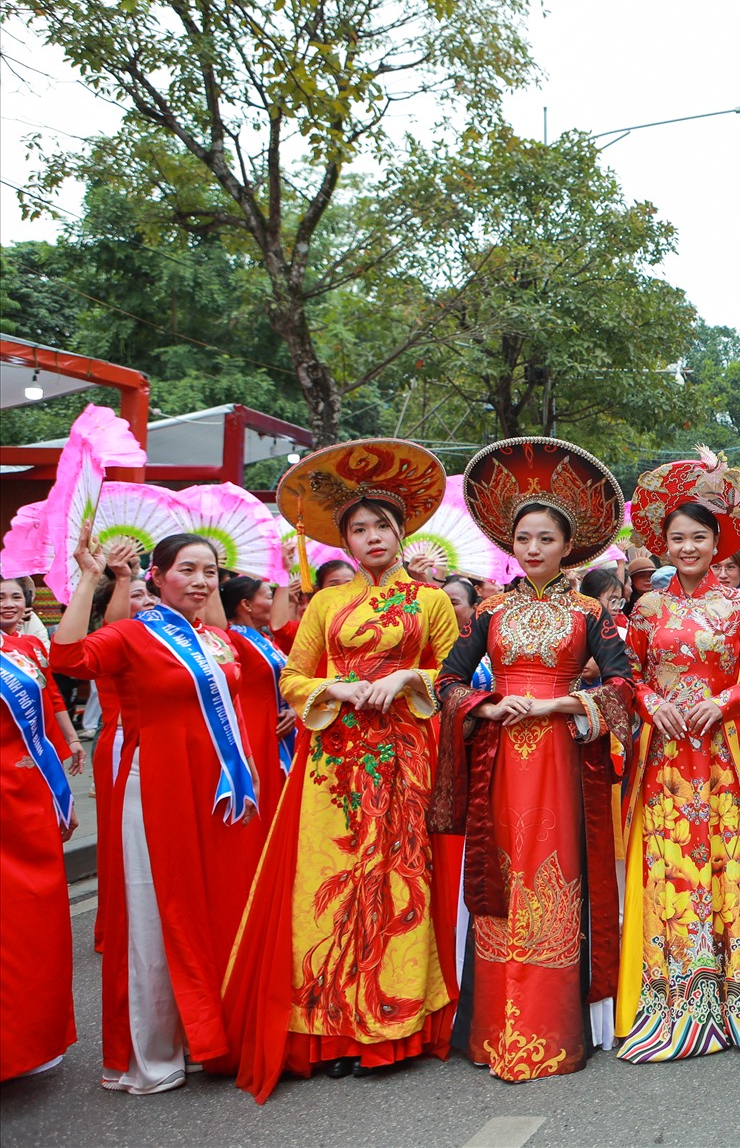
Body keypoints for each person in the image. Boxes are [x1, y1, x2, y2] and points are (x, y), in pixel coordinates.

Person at [224, 439, 459, 1100]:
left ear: (401, 531)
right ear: (346, 541)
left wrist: (414, 676)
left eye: (382, 525)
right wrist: (339, 691)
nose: (371, 536)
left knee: (399, 877)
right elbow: (293, 678)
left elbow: (458, 679)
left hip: (408, 755)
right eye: (358, 528)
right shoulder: (324, 606)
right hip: (336, 757)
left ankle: (396, 1021)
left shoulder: (431, 602)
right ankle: (329, 1023)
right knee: (331, 877)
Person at [426, 439, 635, 1082]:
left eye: (547, 538)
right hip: (501, 759)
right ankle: (495, 1024)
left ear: (569, 545)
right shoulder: (488, 611)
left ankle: (552, 1023)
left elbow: (622, 687)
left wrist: (559, 708)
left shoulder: (591, 612)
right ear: (510, 545)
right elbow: (448, 681)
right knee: (503, 870)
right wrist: (485, 709)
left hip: (563, 756)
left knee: (558, 864)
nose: (535, 548)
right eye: (524, 538)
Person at [53, 533, 267, 1095]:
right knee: (155, 912)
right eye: (187, 570)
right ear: (158, 576)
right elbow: (68, 656)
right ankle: (154, 1050)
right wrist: (94, 577)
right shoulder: (133, 633)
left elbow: (257, 678)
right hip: (156, 787)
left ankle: (205, 1035)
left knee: (209, 907)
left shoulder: (217, 639)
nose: (200, 581)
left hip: (216, 790)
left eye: (211, 571)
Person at [613, 452, 740, 1064]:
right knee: (671, 870)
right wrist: (651, 701)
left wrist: (727, 700)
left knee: (728, 865)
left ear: (719, 543)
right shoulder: (645, 611)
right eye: (677, 538)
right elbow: (627, 676)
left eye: (699, 537)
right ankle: (676, 1001)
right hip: (665, 761)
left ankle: (736, 999)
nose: (687, 547)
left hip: (725, 757)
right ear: (663, 543)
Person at [0, 573, 80, 1082]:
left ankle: (28, 1038)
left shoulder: (24, 648)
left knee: (32, 923)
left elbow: (46, 720)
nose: (7, 603)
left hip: (27, 799)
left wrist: (62, 788)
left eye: (13, 596)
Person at [221, 573, 298, 790]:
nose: (274, 603)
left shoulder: (265, 639)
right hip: (253, 729)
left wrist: (292, 709)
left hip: (278, 727)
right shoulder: (231, 638)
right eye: (268, 597)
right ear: (246, 604)